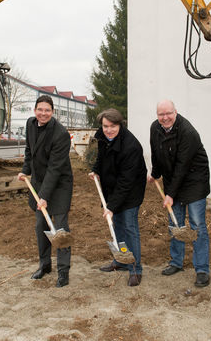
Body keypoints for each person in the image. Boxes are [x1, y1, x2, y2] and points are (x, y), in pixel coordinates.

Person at [148, 100, 211, 287]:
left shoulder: (187, 132)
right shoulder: (155, 128)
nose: (165, 117)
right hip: (173, 180)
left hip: (194, 181)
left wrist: (170, 194)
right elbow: (156, 153)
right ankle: (176, 262)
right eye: (161, 114)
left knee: (196, 225)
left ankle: (202, 269)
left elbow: (183, 166)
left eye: (168, 113)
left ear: (176, 112)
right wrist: (155, 173)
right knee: (174, 223)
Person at [17, 95, 73, 288]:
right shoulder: (31, 124)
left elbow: (55, 169)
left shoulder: (61, 134)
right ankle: (45, 264)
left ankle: (63, 271)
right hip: (40, 183)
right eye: (40, 110)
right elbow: (29, 151)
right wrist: (25, 171)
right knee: (41, 226)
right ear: (35, 111)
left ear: (52, 112)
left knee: (60, 228)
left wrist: (44, 197)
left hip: (59, 185)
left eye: (47, 110)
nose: (43, 113)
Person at [89, 108, 147, 287]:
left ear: (120, 125)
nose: (108, 130)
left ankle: (136, 269)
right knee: (117, 228)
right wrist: (96, 170)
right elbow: (101, 157)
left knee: (129, 228)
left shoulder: (131, 146)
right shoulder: (103, 137)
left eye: (113, 126)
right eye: (105, 126)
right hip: (111, 188)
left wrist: (111, 207)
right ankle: (121, 260)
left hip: (130, 191)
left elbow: (126, 182)